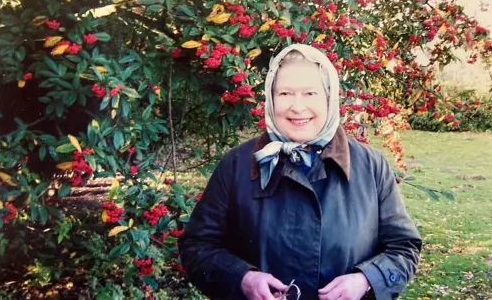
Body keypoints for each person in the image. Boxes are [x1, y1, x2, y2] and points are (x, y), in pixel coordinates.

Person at [179, 44, 422, 300]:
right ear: (271, 99)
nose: (297, 106)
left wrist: (367, 280)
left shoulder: (371, 167)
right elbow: (197, 246)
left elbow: (404, 248)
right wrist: (242, 278)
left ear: (330, 98)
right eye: (285, 93)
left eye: (310, 93)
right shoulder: (237, 164)